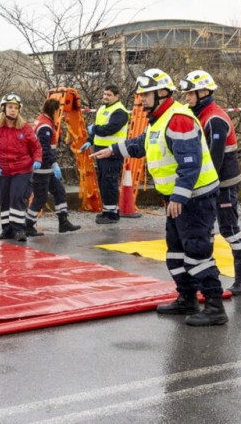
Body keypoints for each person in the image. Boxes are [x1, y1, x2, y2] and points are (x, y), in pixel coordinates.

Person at [92, 68, 226, 326]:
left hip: (193, 199)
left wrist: (178, 197)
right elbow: (142, 143)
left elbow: (190, 163)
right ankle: (187, 298)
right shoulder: (160, 119)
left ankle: (214, 306)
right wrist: (112, 151)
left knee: (197, 252)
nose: (141, 99)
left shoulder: (178, 119)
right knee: (176, 253)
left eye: (145, 94)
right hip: (176, 199)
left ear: (162, 93)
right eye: (141, 95)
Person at [179, 70, 241, 296]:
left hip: (223, 185)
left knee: (230, 230)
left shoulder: (214, 119)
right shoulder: (200, 114)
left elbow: (215, 159)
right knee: (207, 230)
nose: (187, 97)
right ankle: (208, 275)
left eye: (191, 93)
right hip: (211, 184)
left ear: (204, 92)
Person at [0, 93, 42, 242]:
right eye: (10, 107)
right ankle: (7, 230)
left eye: (16, 108)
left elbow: (36, 147)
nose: (13, 110)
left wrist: (37, 159)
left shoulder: (25, 129)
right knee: (4, 199)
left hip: (22, 169)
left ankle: (19, 229)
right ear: (4, 108)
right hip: (2, 170)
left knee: (17, 197)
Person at [25, 98, 80, 236]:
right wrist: (54, 163)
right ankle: (28, 224)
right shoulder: (45, 126)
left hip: (46, 168)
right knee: (40, 198)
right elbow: (44, 149)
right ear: (55, 111)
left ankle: (63, 222)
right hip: (42, 168)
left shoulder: (43, 121)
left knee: (59, 191)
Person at [80, 85, 130, 224]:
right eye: (104, 94)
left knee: (110, 182)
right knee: (103, 182)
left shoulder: (120, 112)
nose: (105, 97)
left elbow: (110, 129)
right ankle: (107, 211)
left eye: (109, 94)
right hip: (100, 151)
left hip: (113, 152)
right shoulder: (102, 109)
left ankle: (112, 213)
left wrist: (94, 129)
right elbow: (97, 130)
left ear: (116, 96)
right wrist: (90, 141)